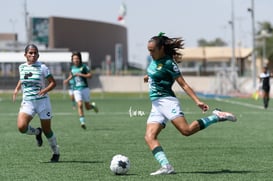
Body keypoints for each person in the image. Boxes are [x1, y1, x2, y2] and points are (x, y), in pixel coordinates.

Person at [143, 33, 237, 176]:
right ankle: (166, 166)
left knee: (186, 131)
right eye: (148, 50)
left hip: (167, 101)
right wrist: (148, 76)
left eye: (152, 50)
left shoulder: (169, 63)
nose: (150, 53)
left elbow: (184, 85)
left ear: (161, 48)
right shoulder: (154, 60)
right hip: (156, 105)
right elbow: (155, 71)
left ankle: (216, 116)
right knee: (149, 136)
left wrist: (197, 101)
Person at [12, 44, 60, 162]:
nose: (33, 55)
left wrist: (44, 90)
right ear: (25, 55)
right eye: (30, 53)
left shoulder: (43, 67)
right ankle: (37, 132)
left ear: (38, 55)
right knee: (21, 127)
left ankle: (56, 152)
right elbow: (23, 78)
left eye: (35, 53)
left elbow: (53, 83)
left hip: (43, 103)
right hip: (28, 102)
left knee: (47, 130)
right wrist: (17, 88)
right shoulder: (21, 67)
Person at [63, 51, 98, 130]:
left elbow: (90, 75)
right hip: (76, 89)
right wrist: (67, 80)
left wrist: (81, 74)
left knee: (87, 107)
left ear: (80, 59)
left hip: (85, 88)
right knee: (79, 104)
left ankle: (93, 106)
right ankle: (82, 122)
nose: (76, 60)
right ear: (72, 60)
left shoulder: (84, 67)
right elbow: (71, 75)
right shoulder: (72, 68)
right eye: (74, 58)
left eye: (77, 58)